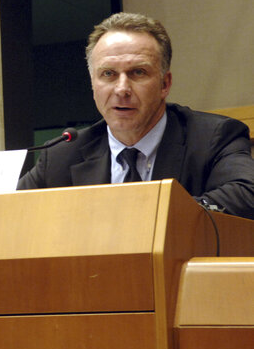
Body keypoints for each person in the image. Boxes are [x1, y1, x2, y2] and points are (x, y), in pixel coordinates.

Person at [17, 12, 254, 219]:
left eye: (138, 72)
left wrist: (149, 214)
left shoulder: (213, 138)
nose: (121, 89)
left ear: (164, 83)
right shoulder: (61, 156)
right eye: (108, 74)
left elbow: (247, 193)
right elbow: (10, 209)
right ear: (92, 84)